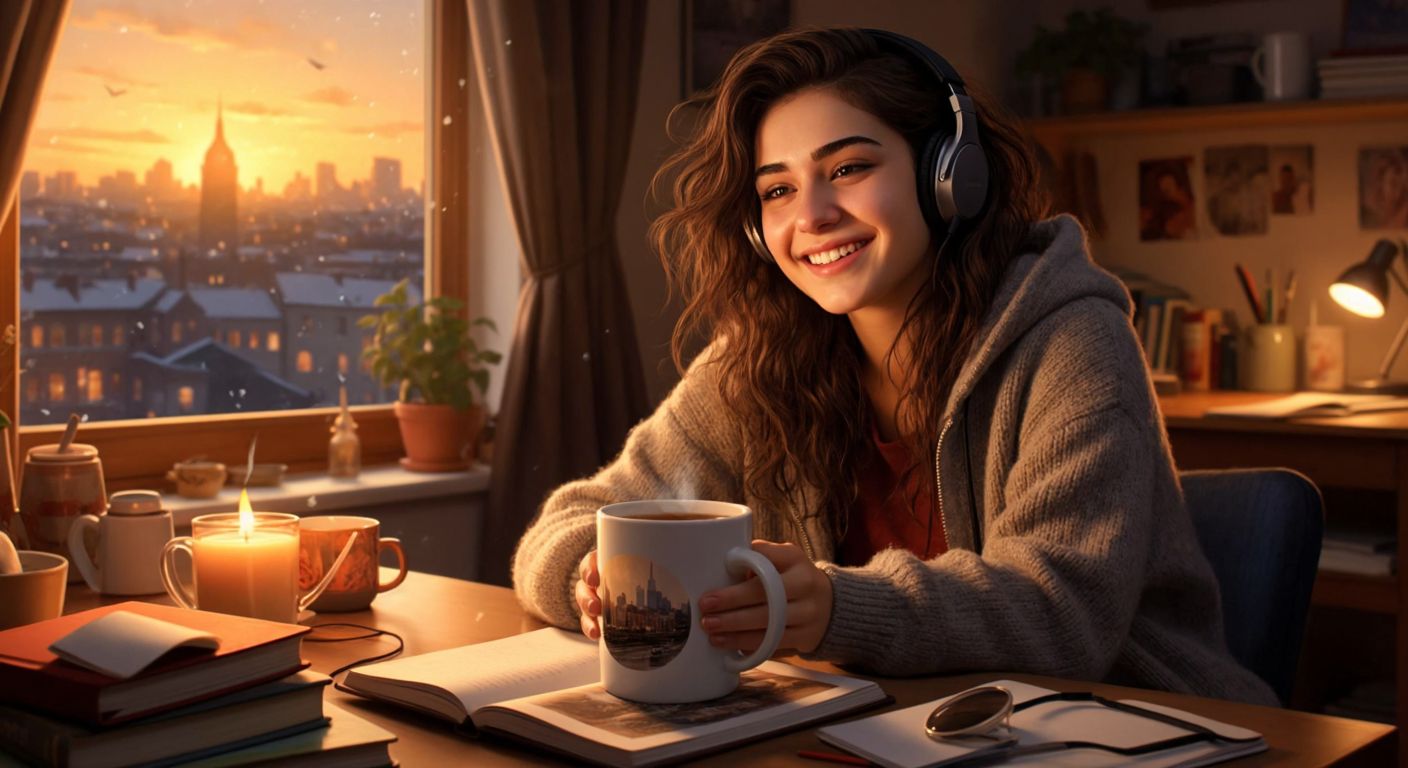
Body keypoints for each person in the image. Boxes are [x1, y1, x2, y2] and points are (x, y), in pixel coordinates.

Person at [512, 27, 1276, 706]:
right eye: (777, 189)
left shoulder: (1071, 340)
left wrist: (835, 608)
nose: (810, 216)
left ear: (948, 174)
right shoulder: (755, 366)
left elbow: (1062, 612)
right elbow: (565, 525)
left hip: (1131, 725)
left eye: (846, 169)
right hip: (890, 730)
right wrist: (592, 578)